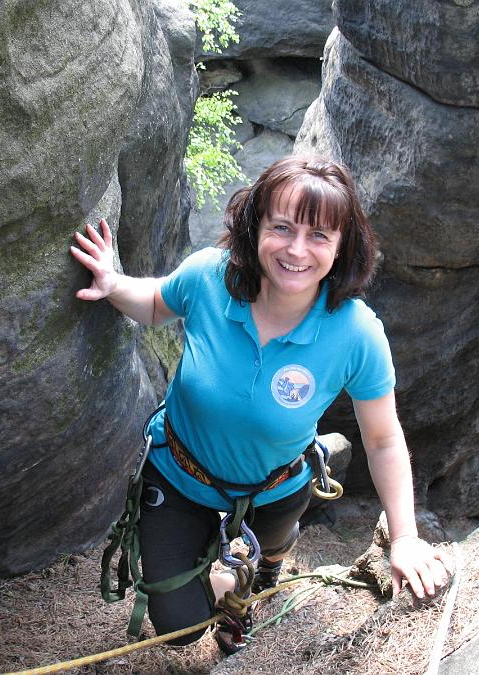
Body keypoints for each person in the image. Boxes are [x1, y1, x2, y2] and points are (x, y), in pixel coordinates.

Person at [70, 155, 453, 653]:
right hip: (180, 475)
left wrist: (404, 538)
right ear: (255, 228)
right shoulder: (210, 278)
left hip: (276, 483)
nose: (297, 249)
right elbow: (157, 303)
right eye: (282, 227)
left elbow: (383, 440)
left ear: (342, 247)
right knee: (180, 628)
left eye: (319, 235)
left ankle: (264, 559)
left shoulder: (356, 333)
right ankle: (233, 580)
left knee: (270, 549)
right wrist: (112, 282)